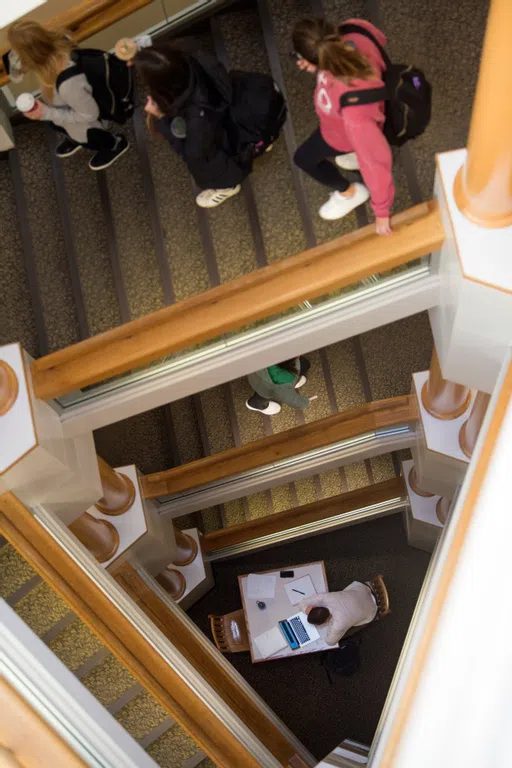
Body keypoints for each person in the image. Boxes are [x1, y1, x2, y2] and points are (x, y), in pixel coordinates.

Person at [292, 16, 394, 235]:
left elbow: (375, 160)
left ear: (313, 60)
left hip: (340, 135)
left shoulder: (354, 112)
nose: (299, 63)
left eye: (301, 58)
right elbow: (379, 39)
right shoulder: (354, 29)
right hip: (367, 118)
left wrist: (382, 211)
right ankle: (354, 154)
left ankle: (350, 193)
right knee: (362, 144)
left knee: (303, 159)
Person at [134, 44, 254, 209]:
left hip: (217, 137)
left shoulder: (196, 119)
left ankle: (228, 186)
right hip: (226, 106)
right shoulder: (189, 52)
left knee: (206, 165)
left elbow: (189, 153)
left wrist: (161, 117)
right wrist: (143, 56)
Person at [6, 22, 129, 171]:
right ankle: (73, 136)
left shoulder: (68, 85)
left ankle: (114, 144)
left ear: (31, 58)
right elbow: (16, 74)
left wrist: (47, 113)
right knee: (56, 124)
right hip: (64, 109)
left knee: (90, 138)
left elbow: (89, 115)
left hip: (87, 123)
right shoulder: (59, 41)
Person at [300, 581, 378, 645]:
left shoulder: (338, 624)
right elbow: (301, 603)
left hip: (372, 609)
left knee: (347, 633)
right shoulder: (325, 597)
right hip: (363, 589)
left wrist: (332, 627)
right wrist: (306, 608)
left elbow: (330, 642)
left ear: (323, 623)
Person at [246, 356, 313, 415]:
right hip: (265, 387)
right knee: (262, 396)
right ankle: (255, 404)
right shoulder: (282, 382)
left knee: (304, 364)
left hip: (257, 373)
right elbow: (289, 398)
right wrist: (304, 403)